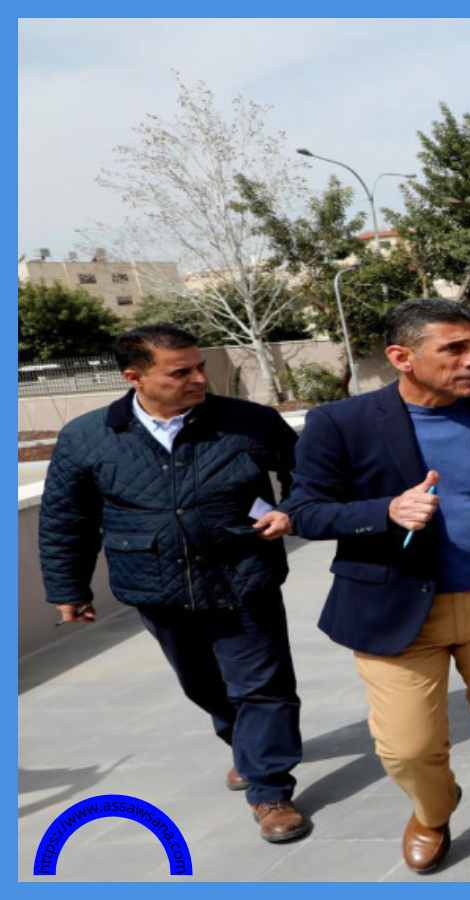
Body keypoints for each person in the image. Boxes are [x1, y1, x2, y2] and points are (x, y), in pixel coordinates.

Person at [283, 300, 470, 881]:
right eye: (454, 349)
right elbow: (304, 511)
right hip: (396, 606)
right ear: (402, 357)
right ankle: (433, 811)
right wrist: (385, 511)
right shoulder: (341, 423)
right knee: (407, 747)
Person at [38, 324, 309, 843]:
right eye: (180, 372)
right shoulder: (87, 436)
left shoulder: (250, 422)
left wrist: (291, 511)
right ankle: (243, 743)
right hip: (155, 584)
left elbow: (311, 475)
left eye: (200, 367)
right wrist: (68, 589)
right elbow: (65, 519)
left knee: (263, 686)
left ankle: (270, 789)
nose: (199, 379)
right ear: (134, 377)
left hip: (243, 574)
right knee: (202, 683)